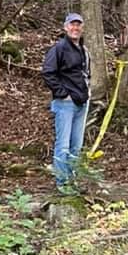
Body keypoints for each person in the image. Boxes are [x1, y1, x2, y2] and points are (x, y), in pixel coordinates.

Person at [41, 12, 91, 190]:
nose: (75, 28)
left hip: (81, 103)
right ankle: (62, 184)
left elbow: (85, 75)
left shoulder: (83, 50)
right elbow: (48, 73)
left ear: (82, 28)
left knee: (76, 146)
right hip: (65, 105)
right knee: (63, 145)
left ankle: (72, 180)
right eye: (72, 24)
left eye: (78, 25)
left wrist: (87, 93)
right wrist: (63, 94)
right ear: (65, 27)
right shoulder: (59, 48)